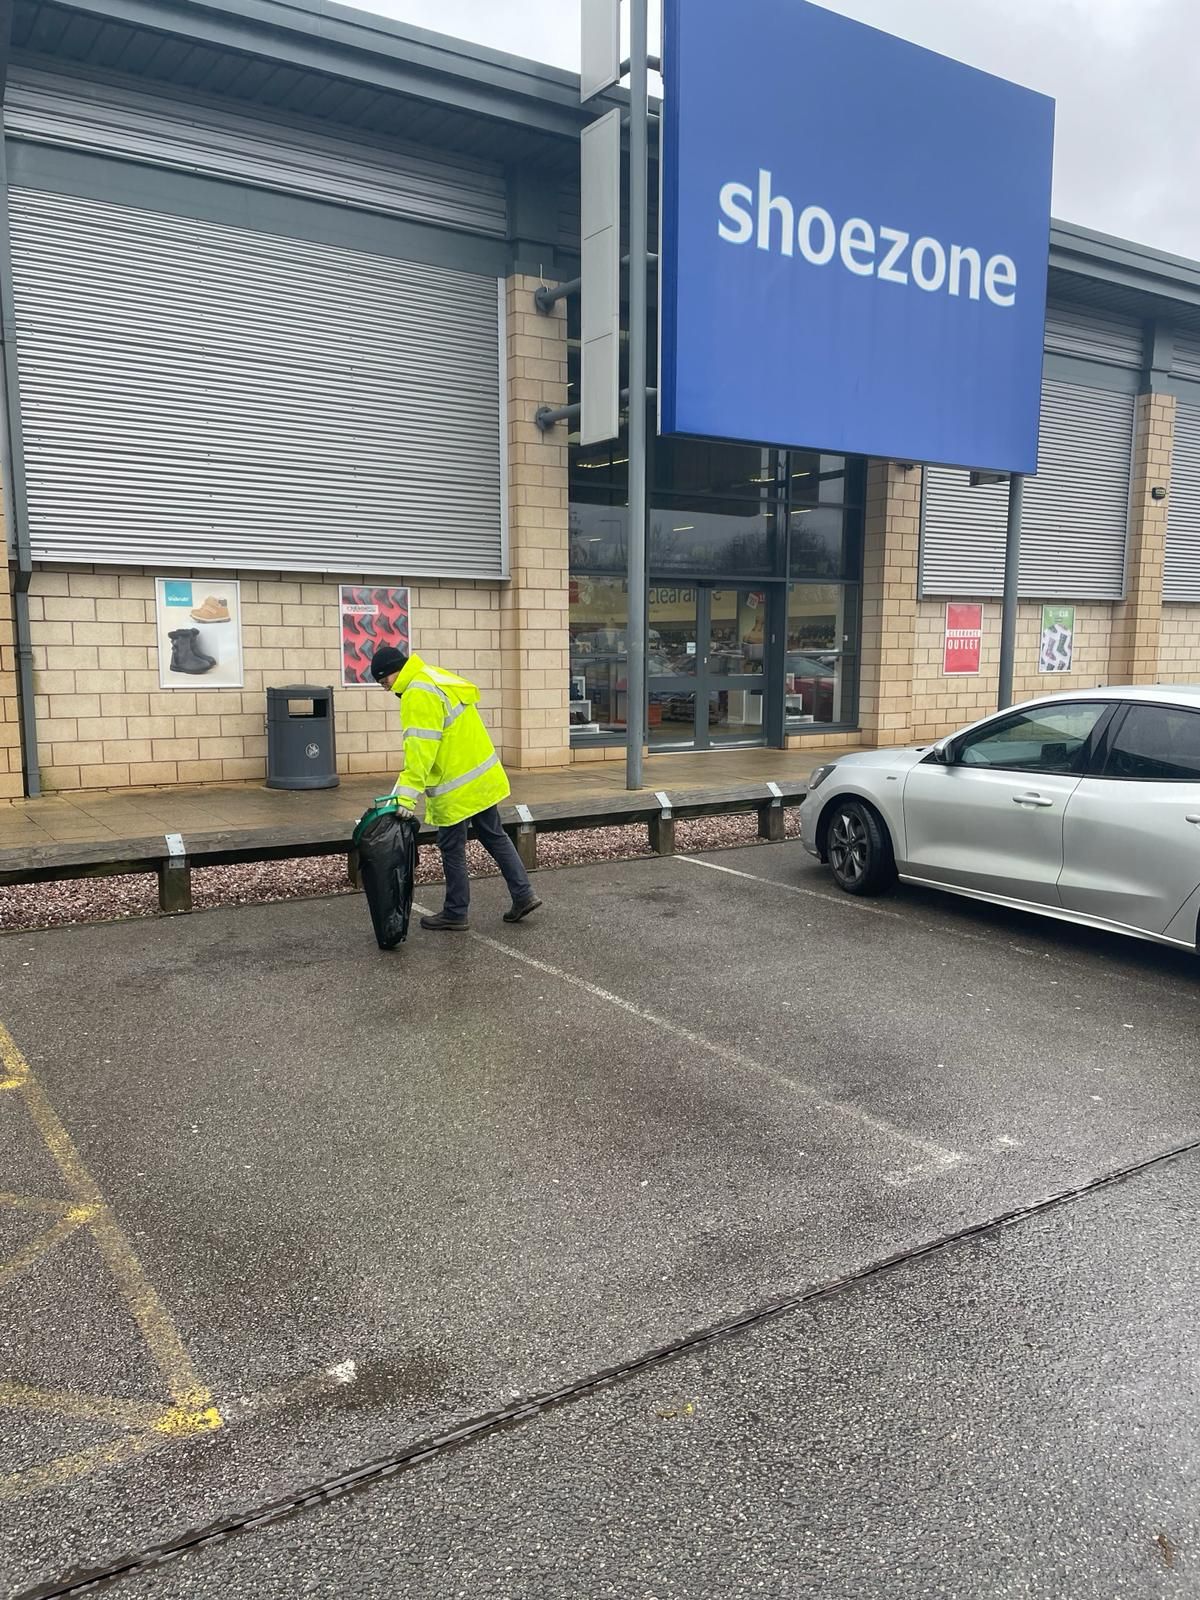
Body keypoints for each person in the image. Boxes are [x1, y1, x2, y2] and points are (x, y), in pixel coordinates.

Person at [369, 645, 542, 932]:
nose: (385, 687)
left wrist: (406, 797)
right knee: (494, 835)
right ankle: (523, 894)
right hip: (481, 777)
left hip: (456, 786)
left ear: (393, 672)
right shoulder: (434, 677)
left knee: (451, 847)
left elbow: (421, 749)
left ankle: (455, 911)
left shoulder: (416, 692)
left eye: (383, 681)